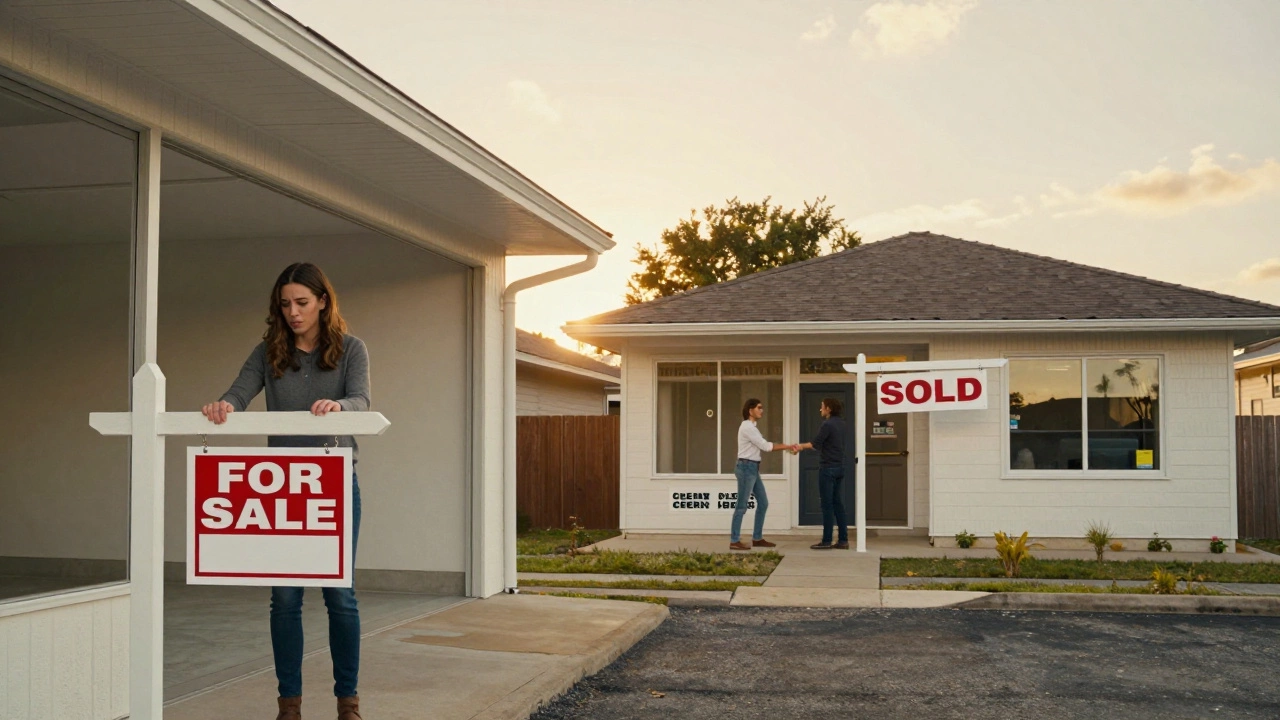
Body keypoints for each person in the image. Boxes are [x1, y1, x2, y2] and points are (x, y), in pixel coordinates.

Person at [202, 262, 370, 720]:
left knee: (340, 595)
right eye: (285, 304)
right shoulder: (268, 351)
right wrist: (223, 406)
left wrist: (339, 406)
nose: (293, 312)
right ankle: (289, 707)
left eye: (301, 302)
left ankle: (348, 704)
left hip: (334, 484)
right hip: (281, 488)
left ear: (322, 302)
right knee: (285, 598)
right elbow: (238, 394)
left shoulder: (352, 349)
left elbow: (361, 400)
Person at [730, 399, 797, 551]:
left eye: (762, 408)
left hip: (752, 468)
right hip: (746, 468)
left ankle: (757, 538)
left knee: (763, 503)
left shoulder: (752, 427)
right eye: (759, 408)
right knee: (741, 506)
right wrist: (787, 446)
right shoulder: (747, 427)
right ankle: (734, 540)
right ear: (750, 410)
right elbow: (766, 446)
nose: (762, 410)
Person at [796, 397, 849, 550]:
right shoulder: (842, 424)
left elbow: (816, 444)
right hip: (839, 467)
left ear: (829, 409)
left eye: (822, 406)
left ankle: (826, 541)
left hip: (828, 468)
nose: (820, 409)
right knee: (838, 504)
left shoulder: (827, 424)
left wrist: (800, 446)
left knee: (827, 505)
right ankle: (843, 540)